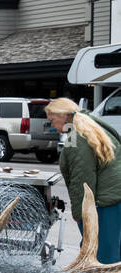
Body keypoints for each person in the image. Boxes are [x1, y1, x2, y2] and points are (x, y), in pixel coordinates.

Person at [47, 97, 121, 264]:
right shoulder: (90, 125)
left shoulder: (77, 136)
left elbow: (82, 178)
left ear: (64, 116)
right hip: (115, 197)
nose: (52, 125)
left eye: (52, 120)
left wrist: (80, 213)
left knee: (102, 255)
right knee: (112, 249)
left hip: (107, 201)